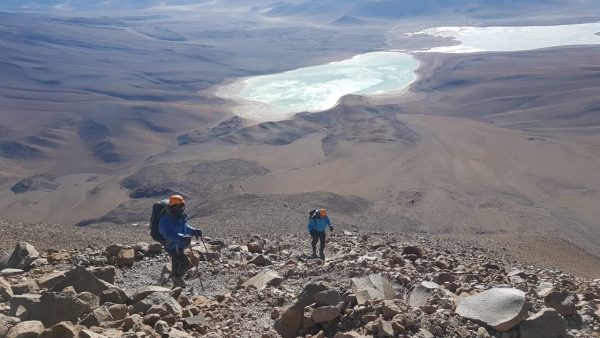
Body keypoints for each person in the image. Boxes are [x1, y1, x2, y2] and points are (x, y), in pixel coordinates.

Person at [159, 194, 202, 288]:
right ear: (175, 207)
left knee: (176, 261)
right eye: (180, 206)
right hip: (171, 245)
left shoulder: (179, 216)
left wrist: (194, 231)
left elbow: (185, 227)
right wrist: (181, 237)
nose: (182, 208)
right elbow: (166, 233)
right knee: (184, 262)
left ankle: (175, 280)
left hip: (180, 244)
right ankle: (177, 278)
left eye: (183, 206)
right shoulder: (165, 219)